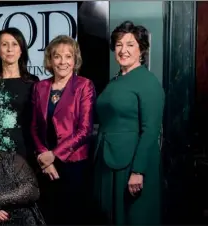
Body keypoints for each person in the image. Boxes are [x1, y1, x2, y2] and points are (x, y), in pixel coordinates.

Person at [93, 21, 164, 225]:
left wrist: (138, 171)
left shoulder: (147, 81)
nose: (123, 50)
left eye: (130, 44)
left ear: (141, 49)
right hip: (107, 160)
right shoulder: (116, 80)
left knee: (133, 218)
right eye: (119, 45)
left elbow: (151, 130)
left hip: (131, 164)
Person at [30, 35, 96, 225]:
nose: (63, 62)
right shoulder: (40, 87)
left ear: (75, 59)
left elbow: (85, 130)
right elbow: (34, 126)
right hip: (45, 164)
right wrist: (44, 156)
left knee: (72, 216)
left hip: (74, 164)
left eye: (68, 56)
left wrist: (55, 155)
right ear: (50, 59)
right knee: (48, 215)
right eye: (57, 56)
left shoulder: (84, 85)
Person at [0, 27, 39, 166]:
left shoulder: (33, 82)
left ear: (21, 49)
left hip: (26, 150)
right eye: (4, 44)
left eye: (15, 44)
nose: (10, 49)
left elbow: (37, 121)